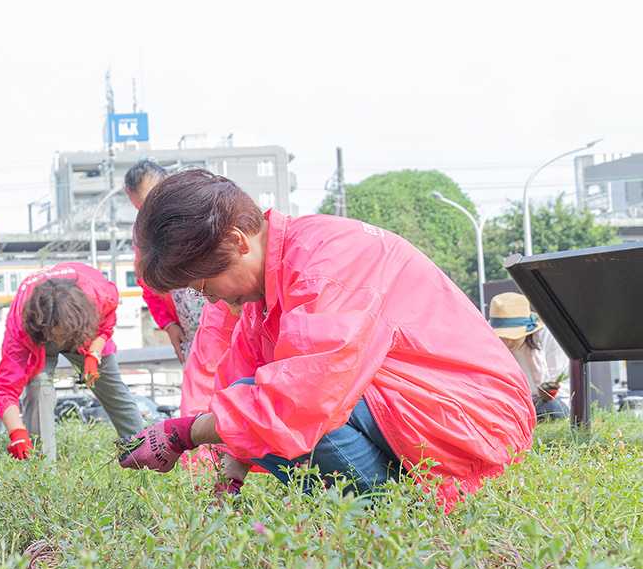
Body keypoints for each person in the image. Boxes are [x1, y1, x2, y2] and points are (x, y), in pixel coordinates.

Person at [118, 168, 536, 511]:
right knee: (251, 404)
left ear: (236, 241)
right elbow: (241, 386)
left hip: (473, 421)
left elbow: (297, 402)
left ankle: (393, 511)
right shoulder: (269, 286)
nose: (210, 299)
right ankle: (383, 506)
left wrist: (182, 433)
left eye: (204, 284)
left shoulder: (326, 264)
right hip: (425, 411)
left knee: (285, 412)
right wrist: (229, 485)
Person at [0, 262, 145, 460]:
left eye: (62, 335)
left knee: (113, 388)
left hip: (82, 332)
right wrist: (17, 433)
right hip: (38, 340)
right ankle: (44, 473)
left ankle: (143, 455)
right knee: (39, 388)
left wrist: (94, 354)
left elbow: (106, 322)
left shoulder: (98, 296)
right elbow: (5, 389)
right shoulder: (21, 327)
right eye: (54, 334)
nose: (58, 340)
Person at [126, 161, 204, 365]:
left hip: (221, 306)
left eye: (153, 200)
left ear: (168, 182)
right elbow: (147, 283)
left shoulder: (194, 207)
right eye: (142, 207)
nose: (150, 213)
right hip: (185, 324)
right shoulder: (140, 230)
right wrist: (168, 324)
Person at [488, 292, 570, 421]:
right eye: (502, 337)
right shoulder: (493, 346)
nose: (508, 342)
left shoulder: (550, 338)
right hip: (514, 402)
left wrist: (548, 391)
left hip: (549, 402)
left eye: (512, 336)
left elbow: (557, 383)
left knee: (552, 409)